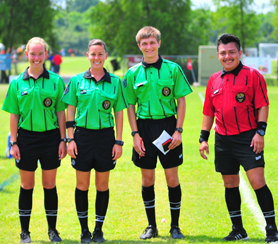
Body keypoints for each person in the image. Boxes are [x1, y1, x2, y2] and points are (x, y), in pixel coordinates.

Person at [199, 33, 278, 243]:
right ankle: (238, 229)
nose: (227, 56)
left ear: (239, 53)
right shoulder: (214, 80)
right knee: (230, 183)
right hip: (223, 140)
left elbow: (263, 105)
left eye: (231, 52)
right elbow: (208, 112)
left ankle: (271, 228)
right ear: (218, 55)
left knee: (257, 181)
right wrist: (203, 138)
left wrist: (260, 133)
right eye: (223, 53)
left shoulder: (253, 76)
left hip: (248, 138)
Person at [124, 26, 192, 240]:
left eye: (152, 42)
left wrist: (178, 131)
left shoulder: (172, 69)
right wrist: (135, 135)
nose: (149, 46)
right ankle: (151, 226)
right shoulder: (132, 73)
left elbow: (181, 101)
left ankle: (175, 226)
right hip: (144, 129)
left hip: (167, 128)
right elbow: (130, 107)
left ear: (159, 43)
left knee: (172, 178)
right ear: (139, 46)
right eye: (144, 43)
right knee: (147, 179)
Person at [61, 39, 128, 243]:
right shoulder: (77, 80)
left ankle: (98, 229)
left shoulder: (115, 81)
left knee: (102, 185)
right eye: (93, 54)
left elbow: (118, 113)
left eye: (100, 54)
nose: (96, 58)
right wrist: (69, 139)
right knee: (82, 185)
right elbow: (70, 110)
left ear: (106, 56)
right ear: (88, 55)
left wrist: (118, 142)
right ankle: (84, 231)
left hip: (105, 138)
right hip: (81, 137)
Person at [2, 37, 67, 243]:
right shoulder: (17, 82)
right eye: (33, 53)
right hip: (26, 139)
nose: (36, 57)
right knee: (26, 185)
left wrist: (63, 140)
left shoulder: (55, 81)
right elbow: (13, 114)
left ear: (46, 54)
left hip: (50, 138)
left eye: (40, 53)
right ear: (26, 54)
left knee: (49, 185)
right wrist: (13, 143)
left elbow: (60, 113)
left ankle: (53, 231)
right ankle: (25, 232)